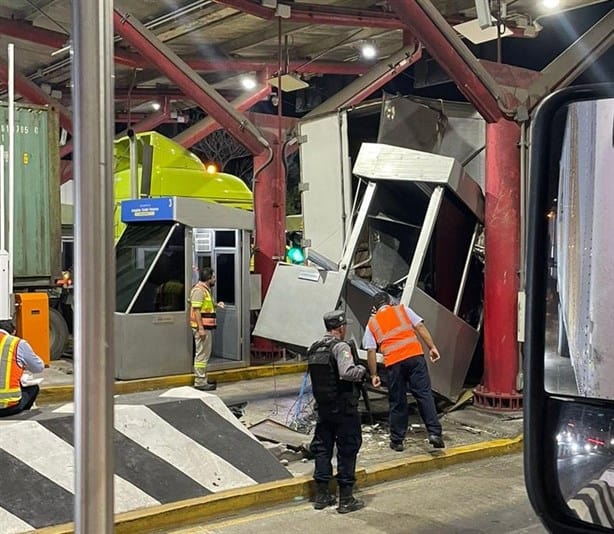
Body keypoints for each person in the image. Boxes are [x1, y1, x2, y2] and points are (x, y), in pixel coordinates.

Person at [363, 291, 445, 451]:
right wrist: (432, 347)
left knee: (398, 401)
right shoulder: (403, 310)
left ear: (374, 308)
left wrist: (374, 375)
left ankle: (397, 440)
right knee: (424, 395)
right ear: (390, 302)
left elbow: (371, 351)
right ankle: (435, 433)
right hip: (415, 357)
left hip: (394, 363)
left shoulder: (372, 323)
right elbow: (419, 326)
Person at [308, 309, 367, 514]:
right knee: (347, 449)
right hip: (344, 409)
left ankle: (322, 496)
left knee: (323, 449)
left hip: (323, 409)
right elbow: (347, 372)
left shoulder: (314, 348)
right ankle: (346, 499)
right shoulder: (340, 347)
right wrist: (362, 371)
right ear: (341, 327)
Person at [0, 319, 44, 418]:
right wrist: (22, 364)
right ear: (14, 331)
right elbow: (38, 367)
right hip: (8, 407)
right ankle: (23, 418)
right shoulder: (17, 343)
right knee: (33, 388)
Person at [189, 268, 223, 391]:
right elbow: (197, 310)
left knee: (204, 354)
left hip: (205, 328)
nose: (214, 279)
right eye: (213, 277)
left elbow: (204, 306)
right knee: (201, 356)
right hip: (201, 328)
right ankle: (200, 382)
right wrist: (201, 329)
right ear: (208, 278)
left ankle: (202, 378)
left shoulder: (205, 290)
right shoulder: (199, 291)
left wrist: (215, 305)